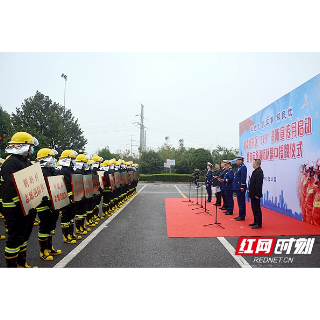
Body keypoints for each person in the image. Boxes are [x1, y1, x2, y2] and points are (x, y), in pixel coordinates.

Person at [1, 131, 39, 268]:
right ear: (23, 146)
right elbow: (11, 188)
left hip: (26, 207)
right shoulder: (10, 164)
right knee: (14, 240)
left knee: (24, 237)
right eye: (30, 147)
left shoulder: (26, 162)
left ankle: (21, 264)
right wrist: (22, 204)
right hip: (14, 208)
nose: (31, 149)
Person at [35, 148, 61, 261]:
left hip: (53, 204)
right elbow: (39, 190)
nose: (53, 160)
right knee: (44, 227)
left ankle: (50, 247)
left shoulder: (52, 171)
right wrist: (48, 204)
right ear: (45, 159)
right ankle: (43, 251)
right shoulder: (39, 172)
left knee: (51, 226)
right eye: (52, 158)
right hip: (44, 205)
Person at [55, 149, 81, 244]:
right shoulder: (63, 170)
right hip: (67, 198)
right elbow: (65, 185)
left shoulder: (70, 169)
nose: (74, 160)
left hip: (74, 197)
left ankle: (71, 233)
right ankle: (66, 236)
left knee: (71, 216)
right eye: (72, 159)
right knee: (66, 217)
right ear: (67, 159)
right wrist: (69, 198)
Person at [248, 159, 264, 229]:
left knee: (257, 208)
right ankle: (255, 221)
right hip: (252, 193)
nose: (252, 164)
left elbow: (259, 184)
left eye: (253, 163)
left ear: (256, 164)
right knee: (253, 208)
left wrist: (257, 194)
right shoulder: (255, 171)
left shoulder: (259, 172)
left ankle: (259, 223)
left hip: (256, 194)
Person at [233, 155, 247, 221]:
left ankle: (242, 215)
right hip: (237, 186)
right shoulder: (239, 167)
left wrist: (242, 186)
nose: (236, 161)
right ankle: (240, 214)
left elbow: (243, 178)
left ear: (241, 160)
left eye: (237, 160)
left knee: (241, 202)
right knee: (239, 202)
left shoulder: (243, 167)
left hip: (240, 187)